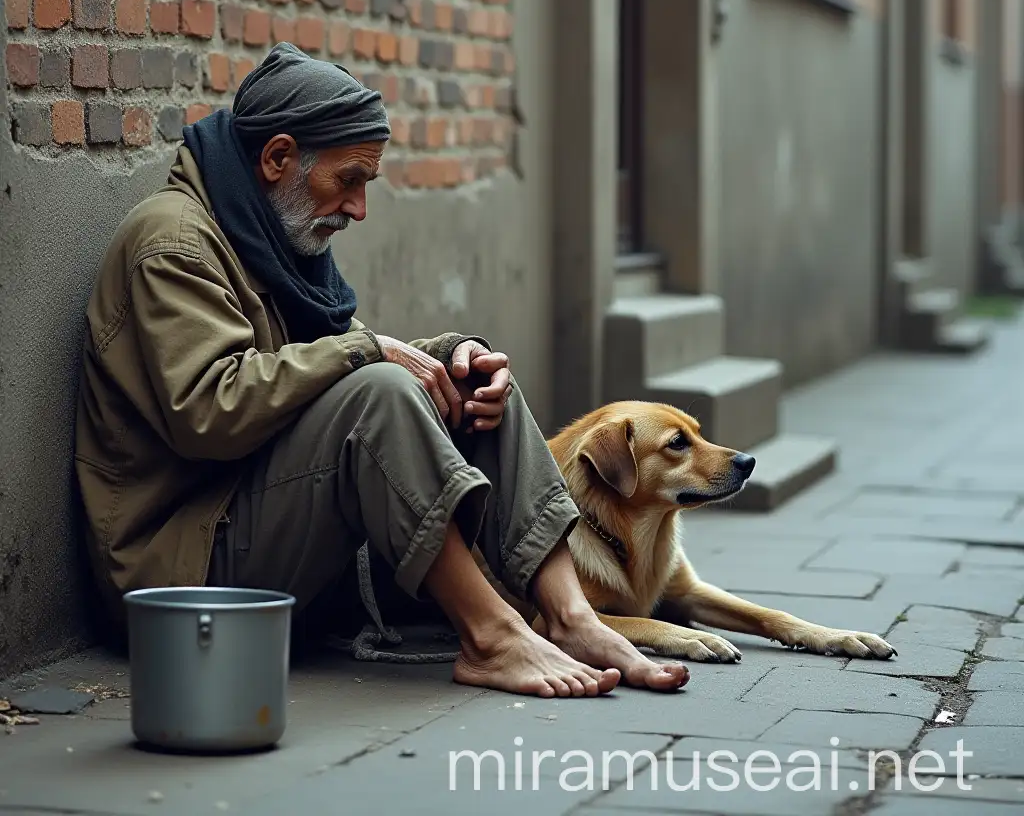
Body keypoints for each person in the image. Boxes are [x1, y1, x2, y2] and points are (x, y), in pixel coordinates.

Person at [75, 43, 689, 699]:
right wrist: (371, 351)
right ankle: (491, 637)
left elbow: (329, 364)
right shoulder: (176, 244)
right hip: (184, 570)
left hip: (260, 524)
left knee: (475, 386)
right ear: (278, 158)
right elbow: (210, 414)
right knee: (381, 393)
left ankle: (570, 616)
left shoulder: (263, 229)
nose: (359, 208)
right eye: (349, 180)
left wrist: (451, 355)